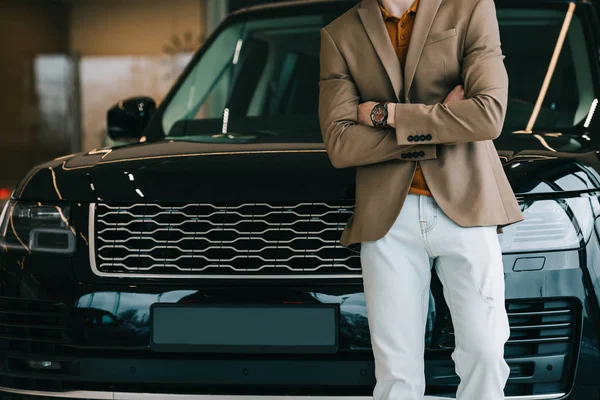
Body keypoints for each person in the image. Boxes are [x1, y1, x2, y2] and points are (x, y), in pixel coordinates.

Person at [318, 0, 525, 399]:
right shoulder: (339, 33)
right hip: (386, 221)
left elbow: (488, 115)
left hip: (467, 203)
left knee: (485, 351)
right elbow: (341, 144)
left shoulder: (470, 8)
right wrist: (442, 121)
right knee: (396, 373)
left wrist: (386, 114)